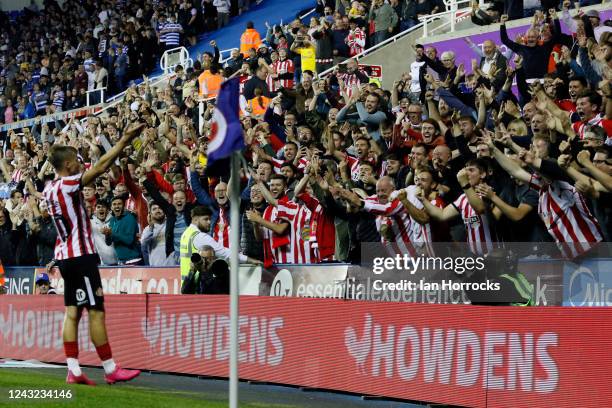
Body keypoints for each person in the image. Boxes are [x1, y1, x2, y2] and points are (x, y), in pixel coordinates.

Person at [42, 122, 145, 385]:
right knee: (96, 311)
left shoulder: (50, 189)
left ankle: (73, 369)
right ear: (67, 166)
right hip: (81, 256)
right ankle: (110, 369)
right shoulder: (67, 185)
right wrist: (123, 140)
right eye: (76, 161)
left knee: (72, 312)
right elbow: (100, 168)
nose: (80, 163)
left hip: (65, 256)